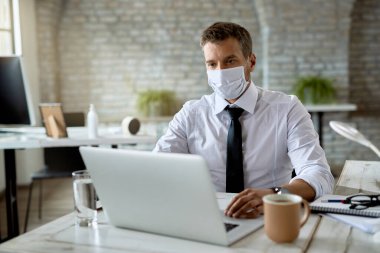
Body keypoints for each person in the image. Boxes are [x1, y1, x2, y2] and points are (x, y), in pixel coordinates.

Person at [153, 22, 334, 219]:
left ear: (251, 62)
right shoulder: (191, 114)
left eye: (230, 61)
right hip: (206, 217)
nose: (220, 72)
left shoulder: (287, 108)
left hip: (269, 214)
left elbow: (319, 174)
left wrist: (275, 195)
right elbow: (156, 167)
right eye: (212, 64)